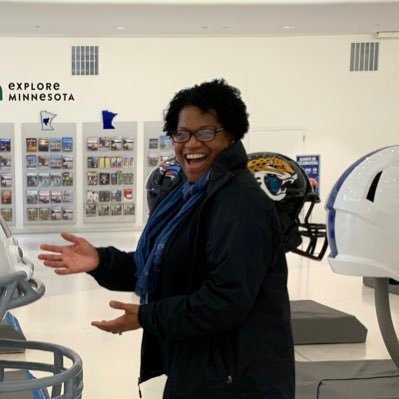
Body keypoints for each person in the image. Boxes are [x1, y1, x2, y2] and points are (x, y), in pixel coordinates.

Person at [38, 79, 295, 399]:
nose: (190, 144)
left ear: (230, 134)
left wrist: (148, 316)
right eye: (181, 133)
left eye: (205, 132)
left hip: (237, 378)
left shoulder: (240, 204)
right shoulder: (185, 193)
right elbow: (161, 266)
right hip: (200, 365)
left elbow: (226, 301)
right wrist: (101, 261)